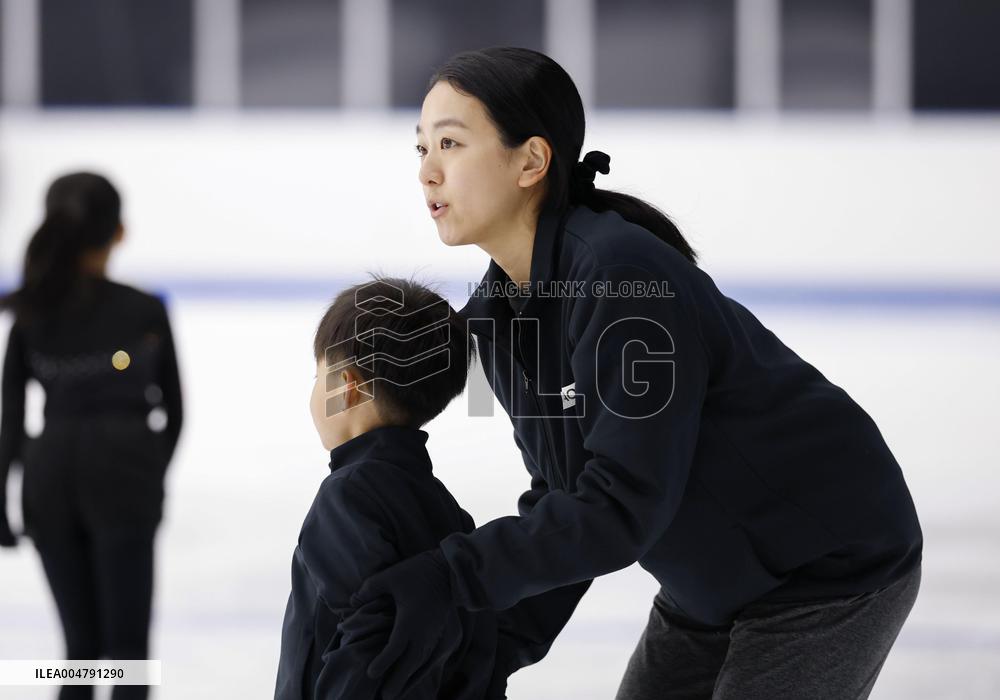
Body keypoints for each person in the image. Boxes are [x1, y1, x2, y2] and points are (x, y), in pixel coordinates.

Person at [345, 47, 924, 699]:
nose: (428, 172)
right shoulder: (492, 319)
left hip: (824, 564)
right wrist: (484, 646)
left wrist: (452, 580)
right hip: (707, 580)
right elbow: (567, 497)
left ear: (531, 160)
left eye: (450, 143)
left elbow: (621, 505)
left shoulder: (625, 278)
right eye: (420, 148)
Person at [275, 276, 507, 699]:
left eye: (317, 374)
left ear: (345, 389)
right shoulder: (446, 508)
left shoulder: (347, 496)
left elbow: (367, 645)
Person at [0, 172, 183, 700]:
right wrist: (147, 473)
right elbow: (176, 412)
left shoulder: (28, 315)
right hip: (122, 467)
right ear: (118, 232)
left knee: (80, 653)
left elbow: (12, 418)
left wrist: (3, 495)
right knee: (128, 657)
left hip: (49, 472)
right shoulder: (144, 310)